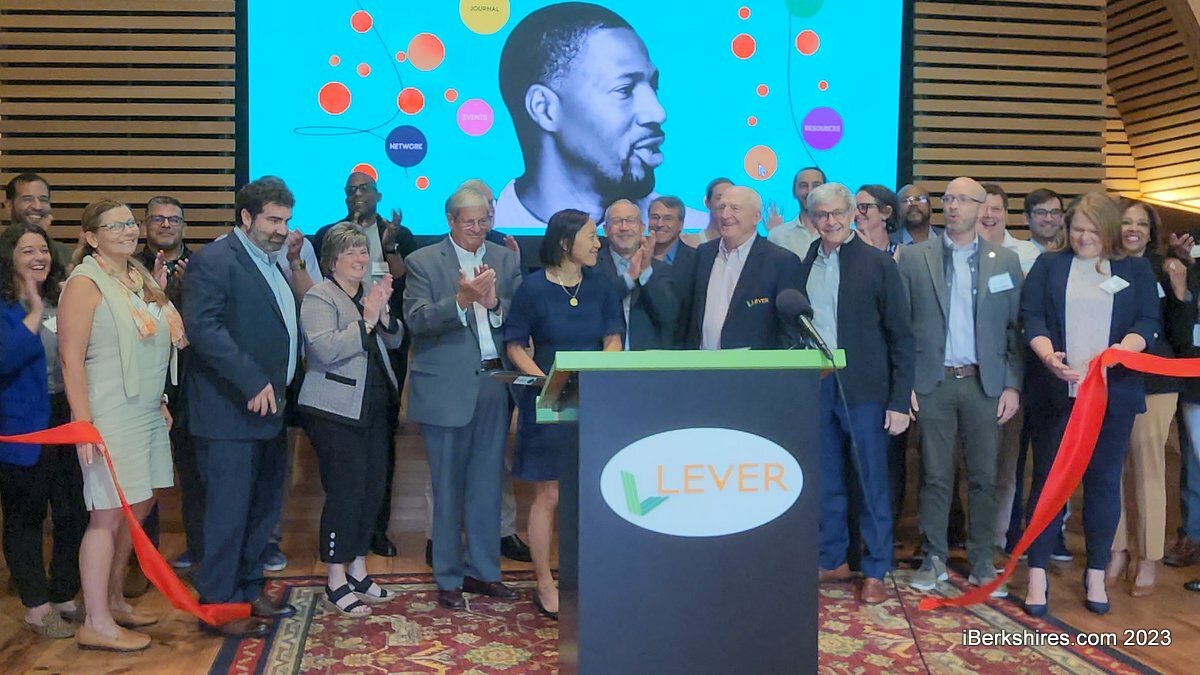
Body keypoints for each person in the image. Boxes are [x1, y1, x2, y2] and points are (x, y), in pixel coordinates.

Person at [1020, 191, 1159, 617]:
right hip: (1056, 394)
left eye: (1092, 231)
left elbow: (1147, 323)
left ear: (1109, 231)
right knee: (1048, 482)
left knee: (1103, 483)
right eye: (1077, 229)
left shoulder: (1134, 269)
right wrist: (1049, 356)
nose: (1082, 238)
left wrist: (1119, 352)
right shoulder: (1049, 265)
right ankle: (1037, 573)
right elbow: (1032, 317)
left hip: (1111, 396)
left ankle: (1096, 571)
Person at [58, 200, 186, 651]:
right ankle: (94, 620)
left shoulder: (139, 275)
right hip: (108, 412)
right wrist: (82, 422)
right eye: (116, 226)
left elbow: (154, 345)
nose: (129, 231)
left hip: (146, 410)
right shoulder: (84, 282)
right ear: (92, 237)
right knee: (106, 513)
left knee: (141, 504)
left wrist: (162, 398)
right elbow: (70, 359)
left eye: (131, 223)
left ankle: (113, 600)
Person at [182, 177, 301, 637]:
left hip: (270, 412)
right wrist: (252, 379)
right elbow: (204, 328)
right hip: (228, 413)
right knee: (227, 516)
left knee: (260, 512)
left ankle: (248, 590)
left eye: (286, 220)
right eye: (273, 220)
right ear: (246, 217)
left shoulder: (271, 263)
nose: (281, 230)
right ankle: (218, 607)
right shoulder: (215, 261)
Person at [898, 177, 1024, 596]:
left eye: (963, 200)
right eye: (948, 199)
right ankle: (933, 558)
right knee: (934, 476)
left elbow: (1014, 330)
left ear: (981, 207)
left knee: (985, 477)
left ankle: (982, 561)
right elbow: (901, 327)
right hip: (932, 382)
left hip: (984, 384)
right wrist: (905, 383)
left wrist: (1012, 386)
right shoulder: (913, 257)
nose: (953, 206)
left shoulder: (1004, 261)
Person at [405, 187, 523, 610]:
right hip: (445, 390)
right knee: (447, 489)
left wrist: (494, 304)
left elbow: (521, 317)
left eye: (483, 220)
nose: (478, 229)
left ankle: (485, 572)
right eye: (469, 222)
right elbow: (416, 320)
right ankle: (449, 577)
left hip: (493, 385)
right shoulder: (423, 261)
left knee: (488, 486)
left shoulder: (506, 259)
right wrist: (460, 301)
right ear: (451, 221)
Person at [505, 209, 623, 619]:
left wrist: (596, 376)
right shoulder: (533, 288)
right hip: (549, 398)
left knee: (593, 490)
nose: (598, 243)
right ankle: (544, 582)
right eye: (591, 236)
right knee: (549, 493)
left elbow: (613, 338)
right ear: (564, 242)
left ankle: (591, 575)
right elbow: (515, 345)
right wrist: (551, 382)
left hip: (595, 399)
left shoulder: (601, 285)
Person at [800, 183, 914, 604]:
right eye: (821, 215)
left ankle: (877, 568)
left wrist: (899, 400)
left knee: (871, 482)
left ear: (852, 215)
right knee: (827, 480)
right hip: (818, 384)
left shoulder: (877, 264)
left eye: (837, 213)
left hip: (865, 389)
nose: (829, 221)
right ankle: (833, 559)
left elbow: (902, 336)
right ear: (812, 219)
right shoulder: (806, 261)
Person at [495, 3, 706, 230]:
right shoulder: (489, 233)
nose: (658, 113)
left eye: (653, 87)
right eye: (624, 89)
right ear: (544, 108)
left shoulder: (698, 232)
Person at [298, 223, 403, 617]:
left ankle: (358, 569)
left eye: (363, 251)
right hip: (334, 411)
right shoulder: (319, 296)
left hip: (374, 406)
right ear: (332, 261)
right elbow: (324, 350)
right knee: (345, 492)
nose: (361, 258)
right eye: (351, 252)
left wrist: (383, 314)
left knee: (371, 490)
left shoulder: (369, 293)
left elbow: (395, 340)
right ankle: (335, 578)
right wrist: (367, 321)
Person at [313, 170, 416, 558]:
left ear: (378, 194)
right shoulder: (329, 234)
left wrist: (388, 247)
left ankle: (376, 529)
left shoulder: (397, 233)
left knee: (381, 449)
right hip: (341, 364)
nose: (358, 194)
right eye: (351, 189)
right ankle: (345, 542)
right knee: (347, 467)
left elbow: (401, 283)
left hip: (385, 355)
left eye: (364, 188)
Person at [0, 223, 87, 639]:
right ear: (9, 259)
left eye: (43, 250)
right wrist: (33, 311)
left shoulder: (60, 299)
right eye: (27, 251)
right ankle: (36, 605)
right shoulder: (7, 307)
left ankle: (64, 592)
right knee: (26, 516)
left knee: (74, 509)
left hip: (66, 416)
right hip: (21, 425)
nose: (39, 257)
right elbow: (4, 358)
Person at [1108, 199, 1188, 596]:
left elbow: (1180, 331)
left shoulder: (1166, 267)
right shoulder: (1103, 265)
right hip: (1113, 378)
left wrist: (1180, 290)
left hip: (1157, 380)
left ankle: (1149, 557)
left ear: (1151, 232)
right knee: (1112, 469)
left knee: (1149, 467)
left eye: (1141, 224)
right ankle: (1117, 550)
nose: (1133, 229)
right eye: (1126, 222)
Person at [689, 186, 803, 350]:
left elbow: (790, 330)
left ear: (756, 217)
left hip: (756, 365)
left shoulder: (781, 261)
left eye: (735, 208)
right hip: (702, 362)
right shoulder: (704, 253)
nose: (725, 215)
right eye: (722, 207)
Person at [598, 199, 681, 349]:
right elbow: (595, 306)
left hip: (647, 359)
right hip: (603, 357)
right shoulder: (593, 266)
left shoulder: (661, 270)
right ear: (605, 229)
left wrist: (645, 271)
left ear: (642, 228)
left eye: (630, 221)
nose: (624, 227)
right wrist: (628, 278)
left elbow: (668, 314)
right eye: (617, 221)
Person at [3, 173, 74, 268]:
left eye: (43, 200)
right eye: (27, 199)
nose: (37, 206)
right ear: (9, 206)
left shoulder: (61, 251)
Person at [768, 167, 825, 258]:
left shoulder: (839, 233)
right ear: (794, 192)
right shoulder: (777, 236)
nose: (810, 191)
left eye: (816, 186)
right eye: (803, 186)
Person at [682, 178, 734, 247]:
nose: (725, 203)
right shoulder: (689, 242)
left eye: (731, 198)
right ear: (707, 203)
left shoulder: (743, 244)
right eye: (719, 198)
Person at [854, 184, 900, 257]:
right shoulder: (846, 252)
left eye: (863, 207)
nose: (856, 213)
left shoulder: (906, 254)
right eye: (854, 208)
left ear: (886, 212)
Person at [1024, 188, 1065, 253]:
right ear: (1026, 218)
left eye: (1054, 212)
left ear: (1062, 217)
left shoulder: (1074, 255)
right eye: (1041, 213)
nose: (1048, 219)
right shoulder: (1017, 255)